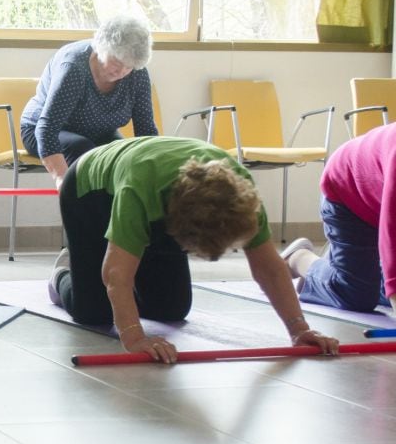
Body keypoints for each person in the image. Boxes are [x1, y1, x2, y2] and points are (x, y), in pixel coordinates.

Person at [47, 136, 340, 363]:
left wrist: (298, 329)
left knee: (171, 309)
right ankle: (63, 275)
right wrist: (135, 337)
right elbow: (115, 276)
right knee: (94, 311)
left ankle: (130, 250)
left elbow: (270, 269)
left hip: (160, 186)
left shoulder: (240, 194)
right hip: (89, 191)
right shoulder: (139, 189)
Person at [20, 15, 157, 189]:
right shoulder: (74, 67)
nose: (121, 71)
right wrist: (62, 180)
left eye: (129, 67)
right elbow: (47, 129)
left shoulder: (138, 74)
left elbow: (146, 131)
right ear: (101, 48)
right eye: (116, 62)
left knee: (121, 155)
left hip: (97, 132)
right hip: (41, 130)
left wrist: (153, 172)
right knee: (84, 151)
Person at [283, 122, 396, 313]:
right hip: (347, 191)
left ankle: (346, 266)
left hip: (375, 193)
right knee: (356, 294)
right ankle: (298, 259)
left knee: (375, 286)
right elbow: (391, 233)